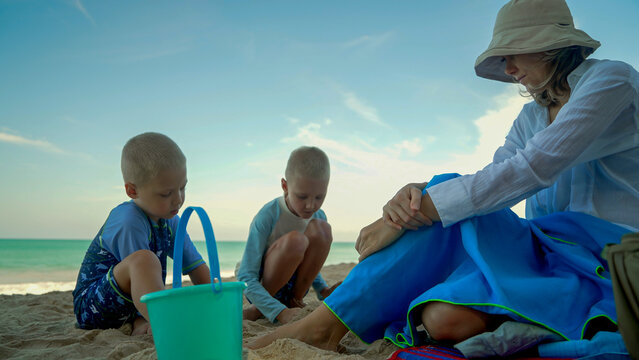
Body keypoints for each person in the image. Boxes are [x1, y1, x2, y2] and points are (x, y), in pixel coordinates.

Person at [248, 0, 639, 352]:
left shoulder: (612, 82)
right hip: (546, 252)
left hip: (606, 257)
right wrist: (417, 195)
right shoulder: (531, 116)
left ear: (550, 45)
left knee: (443, 296)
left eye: (512, 53)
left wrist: (400, 218)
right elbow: (490, 178)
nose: (507, 68)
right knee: (442, 311)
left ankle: (322, 326)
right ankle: (329, 322)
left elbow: (533, 168)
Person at [73, 132, 211, 335]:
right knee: (144, 261)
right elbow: (141, 275)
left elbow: (195, 265)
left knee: (149, 267)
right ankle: (162, 322)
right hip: (93, 307)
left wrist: (217, 300)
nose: (179, 200)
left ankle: (141, 322)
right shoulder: (128, 220)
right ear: (132, 191)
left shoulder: (170, 218)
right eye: (166, 193)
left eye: (183, 188)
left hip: (132, 304)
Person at [237, 146, 341, 324]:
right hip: (264, 288)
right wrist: (277, 311)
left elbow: (309, 261)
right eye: (302, 197)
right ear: (285, 186)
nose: (310, 205)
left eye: (319, 197)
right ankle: (259, 310)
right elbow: (246, 276)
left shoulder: (318, 216)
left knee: (322, 229)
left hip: (294, 286)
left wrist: (322, 289)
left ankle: (295, 301)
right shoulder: (269, 215)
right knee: (296, 241)